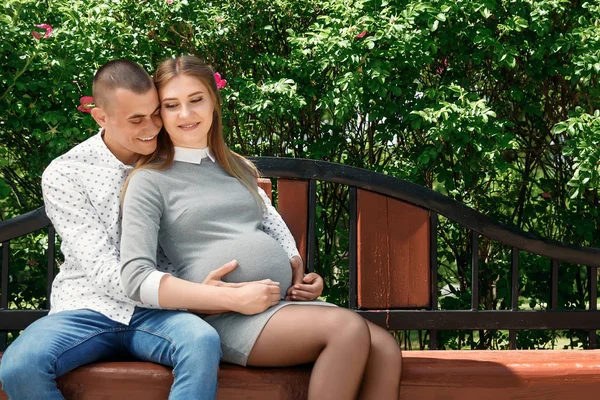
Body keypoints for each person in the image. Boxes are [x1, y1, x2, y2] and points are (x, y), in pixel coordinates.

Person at [119, 55, 402, 400]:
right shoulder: (149, 180)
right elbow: (135, 276)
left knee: (385, 348)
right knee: (347, 329)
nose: (186, 114)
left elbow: (269, 229)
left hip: (278, 305)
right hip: (224, 317)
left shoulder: (235, 167)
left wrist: (300, 275)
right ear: (159, 114)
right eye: (171, 105)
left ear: (213, 102)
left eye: (196, 100)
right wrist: (219, 297)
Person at [0, 59, 279, 400]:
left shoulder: (177, 153)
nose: (152, 127)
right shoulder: (67, 173)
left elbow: (257, 206)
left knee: (201, 341)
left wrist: (292, 258)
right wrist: (204, 296)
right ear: (101, 117)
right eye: (136, 119)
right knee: (19, 366)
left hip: (161, 314)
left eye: (155, 113)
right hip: (88, 308)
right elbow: (103, 271)